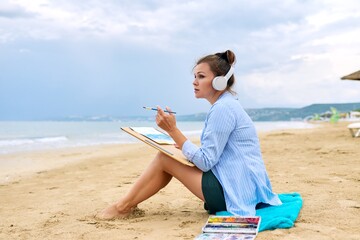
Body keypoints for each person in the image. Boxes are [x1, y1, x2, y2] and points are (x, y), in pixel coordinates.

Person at [98, 50, 281, 219]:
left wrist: (173, 131)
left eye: (201, 77)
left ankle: (122, 208)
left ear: (219, 81)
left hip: (234, 192)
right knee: (172, 155)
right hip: (243, 187)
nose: (194, 82)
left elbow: (206, 162)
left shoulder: (223, 109)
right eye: (194, 76)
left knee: (164, 159)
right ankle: (126, 205)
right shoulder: (227, 104)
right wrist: (183, 146)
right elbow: (217, 154)